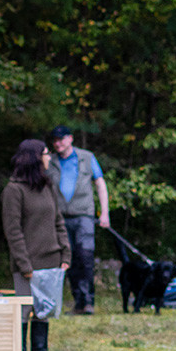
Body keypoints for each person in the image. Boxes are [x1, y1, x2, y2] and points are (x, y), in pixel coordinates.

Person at [1, 139, 72, 351]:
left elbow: (58, 222)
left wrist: (65, 253)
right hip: (28, 266)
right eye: (45, 153)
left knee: (43, 313)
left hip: (51, 262)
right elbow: (13, 231)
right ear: (34, 158)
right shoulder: (13, 190)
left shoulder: (47, 186)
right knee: (23, 313)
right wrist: (24, 265)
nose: (49, 157)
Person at [48, 125, 110, 315]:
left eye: (61, 139)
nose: (58, 143)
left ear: (70, 139)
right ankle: (78, 303)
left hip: (84, 216)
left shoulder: (87, 157)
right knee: (68, 259)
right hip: (60, 217)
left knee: (85, 257)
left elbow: (100, 184)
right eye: (55, 140)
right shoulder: (50, 161)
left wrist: (104, 213)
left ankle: (88, 301)